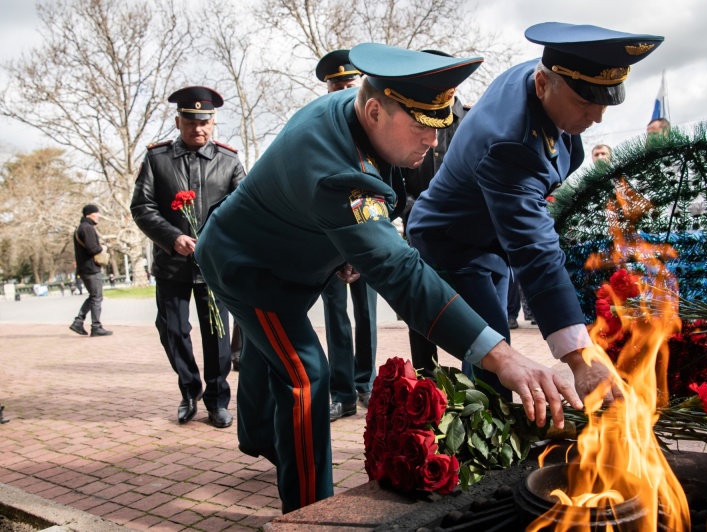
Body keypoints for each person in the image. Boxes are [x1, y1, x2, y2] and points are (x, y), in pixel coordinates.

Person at [194, 43, 587, 513]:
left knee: (270, 353)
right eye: (422, 125)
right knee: (305, 376)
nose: (434, 140)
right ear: (376, 109)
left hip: (294, 256)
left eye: (439, 125)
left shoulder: (358, 109)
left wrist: (346, 242)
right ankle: (309, 511)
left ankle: (260, 435)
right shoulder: (338, 170)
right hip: (250, 268)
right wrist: (501, 358)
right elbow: (401, 272)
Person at [407, 22, 664, 401]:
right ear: (543, 84)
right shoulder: (509, 144)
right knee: (495, 352)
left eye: (603, 103)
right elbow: (534, 250)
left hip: (491, 239)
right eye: (584, 103)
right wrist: (580, 361)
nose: (597, 118)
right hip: (451, 241)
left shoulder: (554, 71)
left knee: (489, 343)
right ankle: (487, 441)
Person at [130, 86, 245, 429]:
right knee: (173, 330)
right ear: (178, 121)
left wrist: (221, 242)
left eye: (205, 122)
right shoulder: (157, 158)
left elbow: (244, 209)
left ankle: (217, 399)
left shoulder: (229, 161)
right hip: (172, 265)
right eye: (191, 122)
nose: (199, 129)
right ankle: (189, 389)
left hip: (213, 267)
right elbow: (141, 207)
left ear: (213, 122)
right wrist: (172, 237)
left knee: (218, 335)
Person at [315, 49, 379, 421]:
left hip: (367, 240)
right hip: (329, 244)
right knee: (336, 317)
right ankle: (342, 392)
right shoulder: (319, 130)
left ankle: (365, 382)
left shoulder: (375, 129)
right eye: (336, 86)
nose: (342, 91)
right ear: (328, 90)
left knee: (366, 317)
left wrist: (361, 246)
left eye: (349, 85)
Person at [401, 49, 470, 378]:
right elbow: (395, 181)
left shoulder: (471, 122)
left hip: (466, 238)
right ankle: (427, 387)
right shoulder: (406, 121)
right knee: (421, 320)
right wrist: (418, 211)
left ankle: (482, 394)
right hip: (419, 235)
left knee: (475, 318)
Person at [70, 204, 113, 337]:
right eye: (96, 212)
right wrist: (102, 248)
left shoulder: (80, 228)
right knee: (97, 297)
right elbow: (92, 248)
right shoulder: (87, 228)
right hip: (91, 268)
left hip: (84, 268)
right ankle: (96, 327)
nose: (98, 215)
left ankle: (78, 322)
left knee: (93, 296)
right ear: (89, 214)